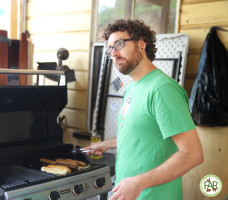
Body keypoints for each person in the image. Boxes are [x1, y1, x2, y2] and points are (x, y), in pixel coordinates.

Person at [84, 19, 204, 200]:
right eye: (110, 49)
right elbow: (141, 133)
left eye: (119, 44)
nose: (114, 53)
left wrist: (139, 183)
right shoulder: (133, 88)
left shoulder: (162, 89)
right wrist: (105, 144)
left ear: (141, 43)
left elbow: (192, 155)